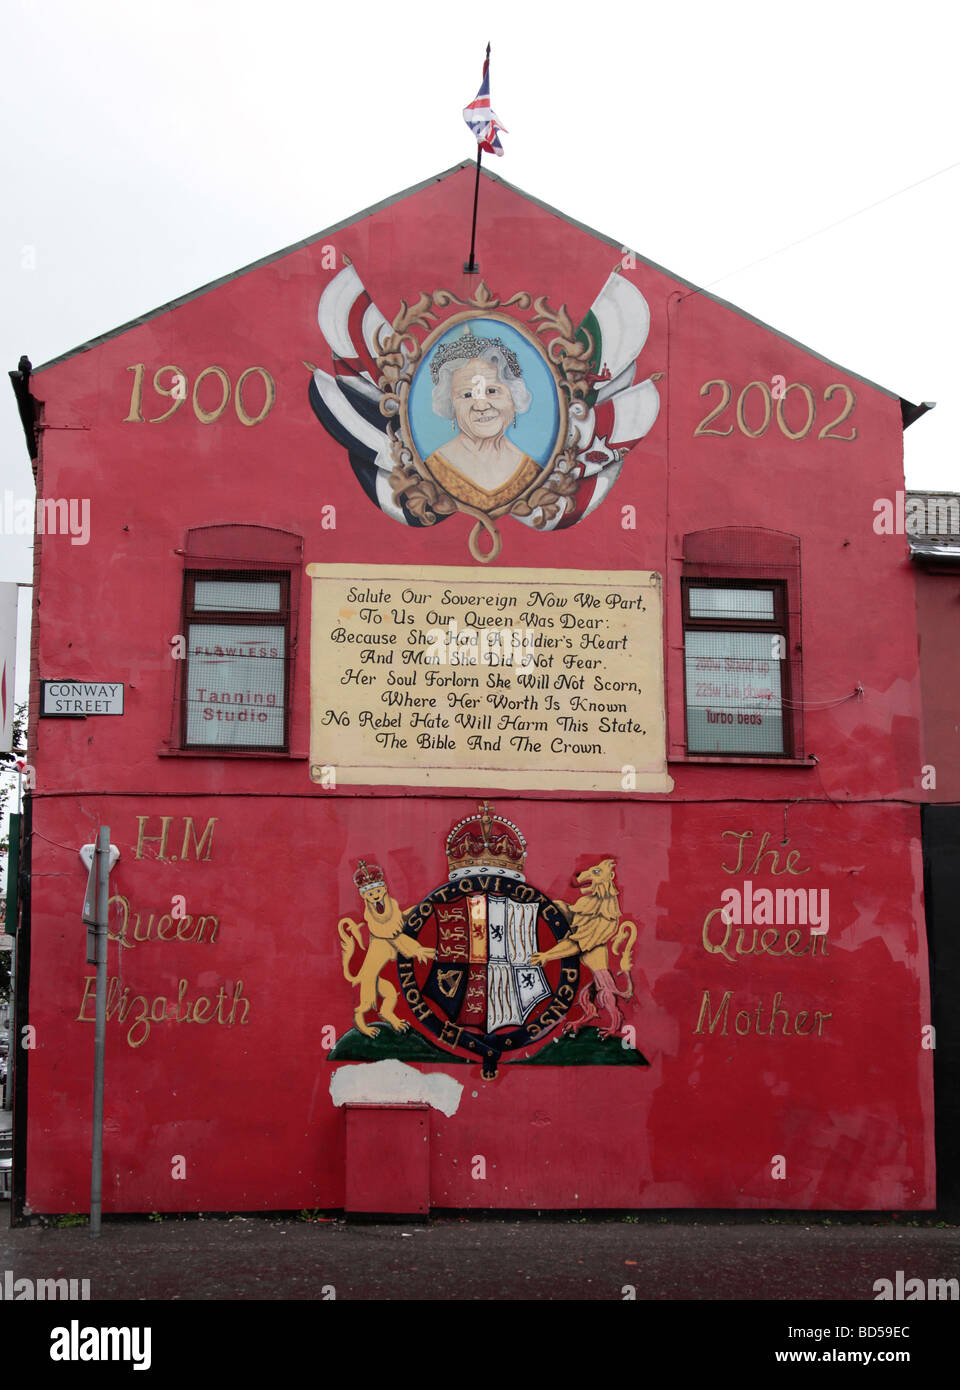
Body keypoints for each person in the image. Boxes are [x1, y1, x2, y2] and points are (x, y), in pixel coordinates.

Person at [425, 331, 540, 510]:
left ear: (514, 396)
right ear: (450, 404)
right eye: (467, 395)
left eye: (492, 391)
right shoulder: (431, 471)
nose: (481, 406)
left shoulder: (533, 471)